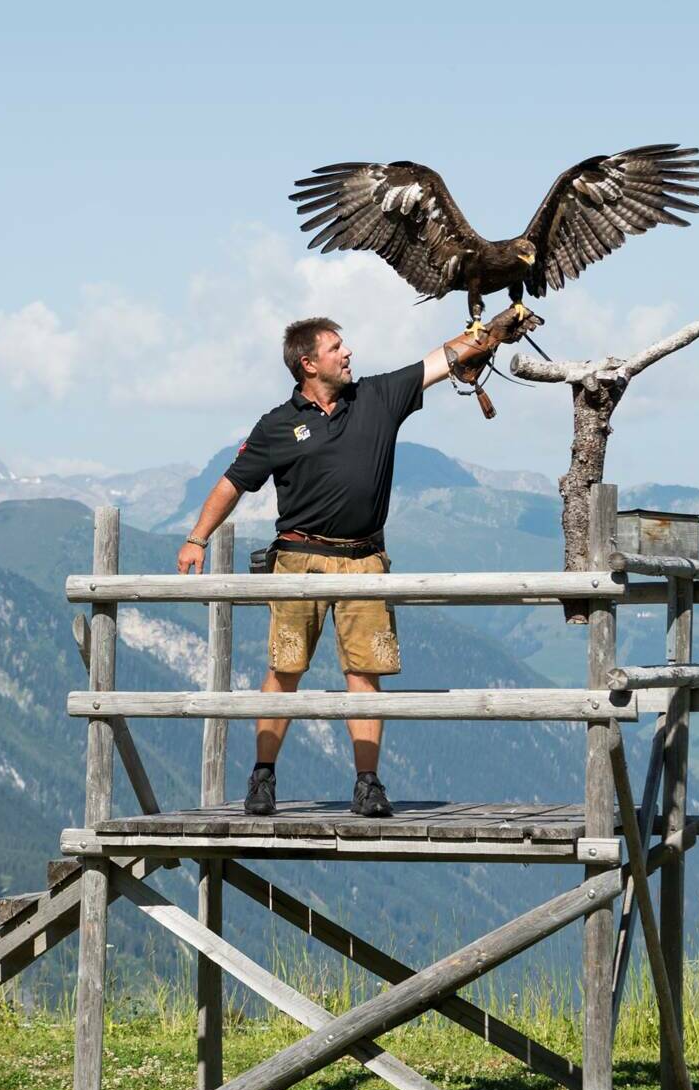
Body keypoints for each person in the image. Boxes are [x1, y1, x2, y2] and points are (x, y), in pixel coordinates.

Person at [175, 310, 534, 817]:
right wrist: (197, 537)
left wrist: (487, 332)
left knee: (366, 673)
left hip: (365, 559)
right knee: (284, 669)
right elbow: (232, 482)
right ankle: (263, 777)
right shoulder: (277, 425)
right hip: (298, 561)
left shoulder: (378, 398)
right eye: (336, 348)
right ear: (308, 363)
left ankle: (368, 785)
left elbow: (442, 358)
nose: (348, 354)